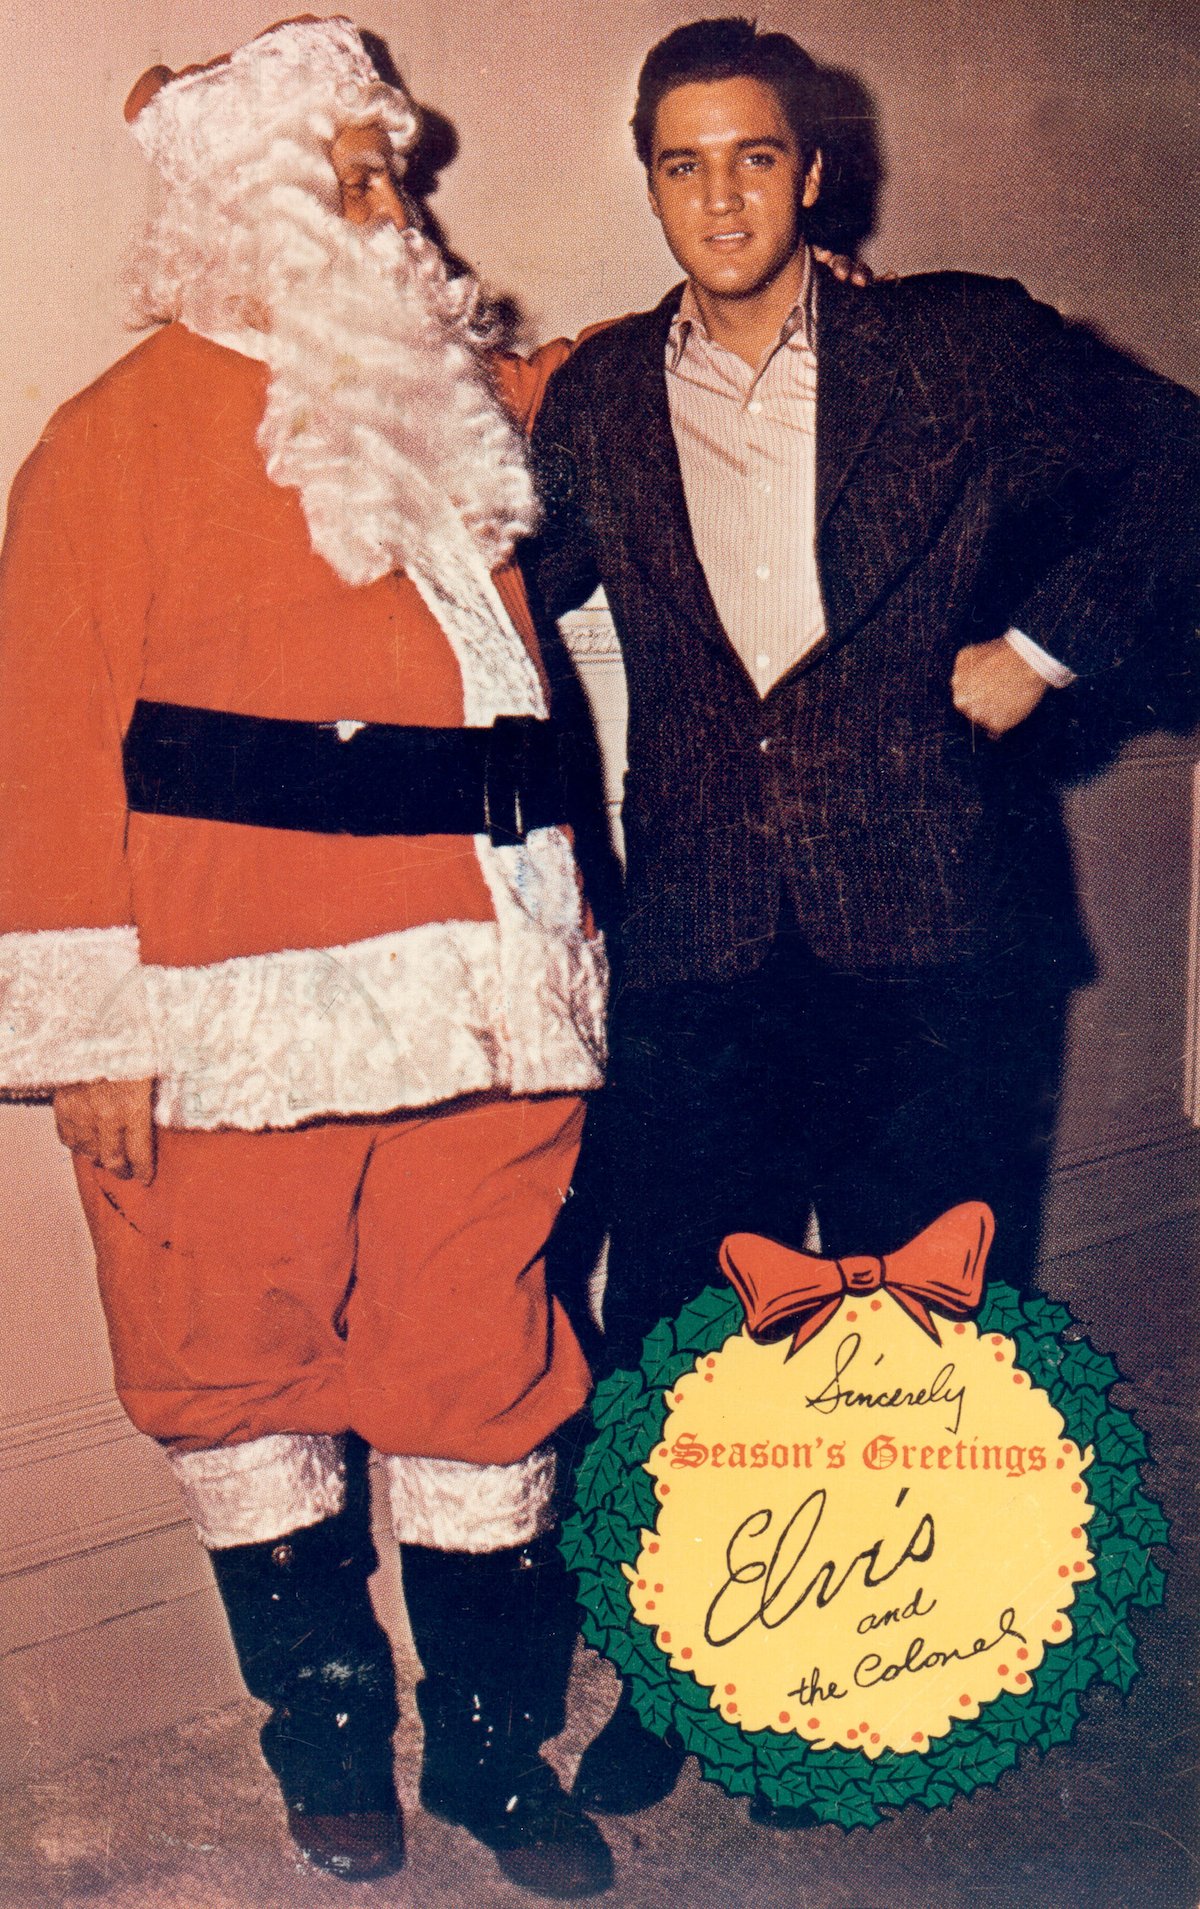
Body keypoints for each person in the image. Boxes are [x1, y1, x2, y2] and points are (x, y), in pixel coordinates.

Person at [525, 15, 1199, 1817]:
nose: (720, 194)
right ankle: (677, 1671)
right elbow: (489, 575)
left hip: (932, 926)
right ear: (649, 180)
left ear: (813, 170)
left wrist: (1048, 646)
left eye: (754, 156)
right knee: (685, 1312)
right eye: (683, 163)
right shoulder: (594, 397)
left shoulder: (959, 344)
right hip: (701, 931)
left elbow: (1177, 463)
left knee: (902, 1333)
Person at [0, 17, 613, 1896]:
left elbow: (613, 396)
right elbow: (39, 744)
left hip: (491, 1000)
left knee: (484, 1363)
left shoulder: (450, 404)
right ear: (227, 205)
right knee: (236, 1371)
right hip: (224, 1017)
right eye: (341, 172)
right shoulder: (107, 440)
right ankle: (328, 1747)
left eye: (388, 170)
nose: (384, 202)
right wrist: (90, 1031)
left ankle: (498, 1760)